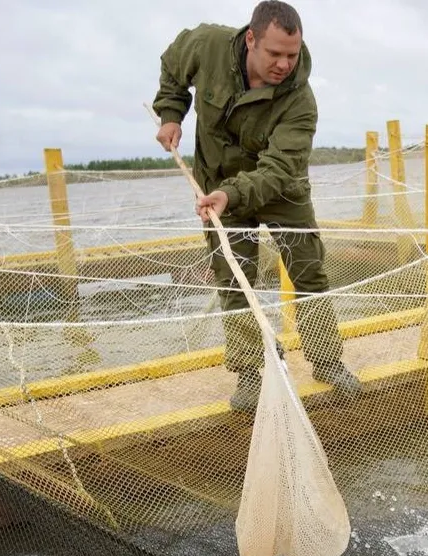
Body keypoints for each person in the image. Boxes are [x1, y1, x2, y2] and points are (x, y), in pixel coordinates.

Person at [152, 0, 360, 412]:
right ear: (251, 39)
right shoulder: (206, 45)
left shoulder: (301, 101)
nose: (285, 64)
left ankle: (327, 361)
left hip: (281, 189)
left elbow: (279, 168)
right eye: (275, 54)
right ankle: (249, 372)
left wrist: (233, 194)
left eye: (292, 54)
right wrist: (171, 113)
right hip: (217, 184)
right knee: (234, 279)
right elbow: (173, 66)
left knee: (309, 273)